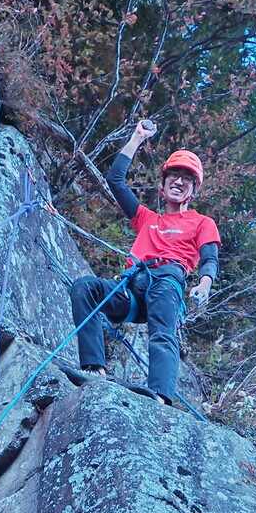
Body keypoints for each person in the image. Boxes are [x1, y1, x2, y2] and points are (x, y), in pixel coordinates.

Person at [70, 120, 220, 406]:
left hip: (167, 281)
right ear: (162, 187)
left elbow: (209, 257)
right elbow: (115, 181)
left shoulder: (202, 222)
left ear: (193, 190)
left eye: (186, 179)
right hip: (133, 286)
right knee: (85, 288)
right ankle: (94, 369)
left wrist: (205, 283)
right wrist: (137, 137)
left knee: (162, 333)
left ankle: (160, 397)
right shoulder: (147, 219)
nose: (178, 181)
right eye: (172, 176)